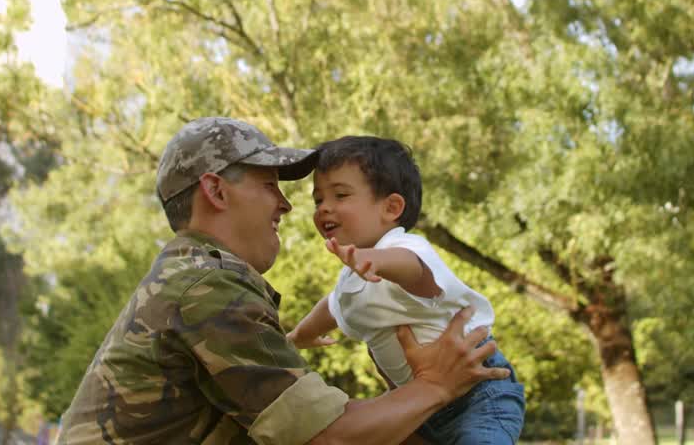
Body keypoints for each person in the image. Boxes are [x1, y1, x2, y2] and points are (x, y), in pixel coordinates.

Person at [57, 117, 510, 445]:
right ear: (216, 191)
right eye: (270, 184)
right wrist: (435, 385)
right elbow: (331, 438)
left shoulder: (193, 277)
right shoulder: (205, 288)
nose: (287, 205)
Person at [287, 136, 525, 444]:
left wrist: (375, 259)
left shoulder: (404, 248)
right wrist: (299, 336)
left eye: (340, 195)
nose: (324, 209)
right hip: (421, 404)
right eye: (318, 200)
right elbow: (333, 307)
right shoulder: (353, 277)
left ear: (391, 207)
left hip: (479, 396)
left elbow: (414, 270)